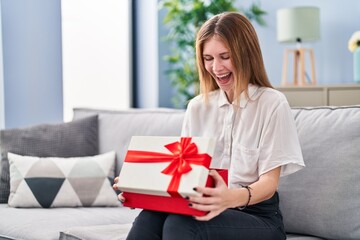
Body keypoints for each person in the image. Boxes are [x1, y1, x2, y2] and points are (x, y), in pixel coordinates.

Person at [114, 11, 305, 240]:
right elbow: (183, 177)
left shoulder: (271, 103)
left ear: (246, 54)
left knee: (181, 224)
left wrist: (229, 198)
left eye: (225, 56)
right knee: (149, 217)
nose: (216, 67)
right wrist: (142, 190)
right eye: (208, 58)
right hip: (205, 206)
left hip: (258, 217)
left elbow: (269, 183)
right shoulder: (198, 107)